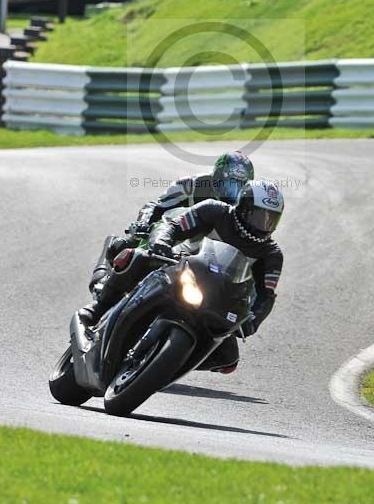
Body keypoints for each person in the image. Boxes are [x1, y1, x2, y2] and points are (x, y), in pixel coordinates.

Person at [80, 180, 285, 373]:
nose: (264, 225)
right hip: (178, 265)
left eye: (271, 219)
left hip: (216, 296)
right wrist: (162, 241)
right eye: (260, 216)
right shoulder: (214, 210)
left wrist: (253, 320)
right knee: (136, 258)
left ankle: (166, 366)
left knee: (228, 357)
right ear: (244, 207)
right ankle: (98, 308)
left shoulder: (271, 254)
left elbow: (265, 295)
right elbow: (173, 225)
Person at [88, 151, 255, 293]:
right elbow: (157, 205)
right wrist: (144, 222)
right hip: (169, 237)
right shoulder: (191, 185)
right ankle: (103, 283)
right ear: (217, 176)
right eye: (228, 183)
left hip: (205, 255)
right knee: (123, 244)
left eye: (240, 185)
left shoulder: (245, 208)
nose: (233, 191)